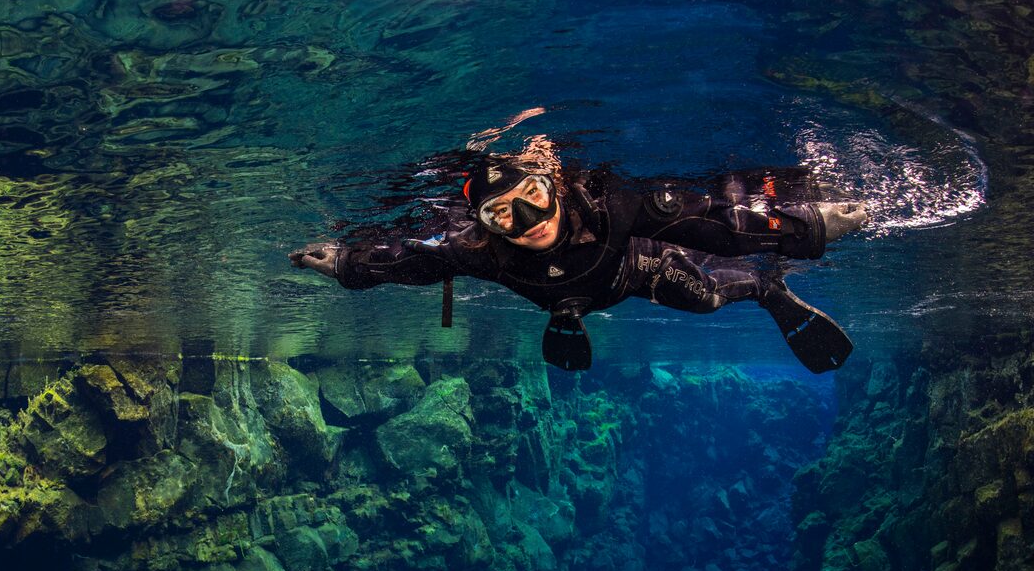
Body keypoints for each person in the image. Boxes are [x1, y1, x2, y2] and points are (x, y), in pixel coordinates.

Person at [290, 151, 868, 372]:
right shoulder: (479, 251)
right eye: (501, 215)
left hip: (636, 271)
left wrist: (807, 226)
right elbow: (412, 262)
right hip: (572, 294)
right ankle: (567, 306)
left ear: (555, 186)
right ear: (484, 224)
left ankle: (766, 290)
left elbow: (714, 224)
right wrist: (345, 262)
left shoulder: (612, 206)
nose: (528, 221)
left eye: (533, 196)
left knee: (707, 298)